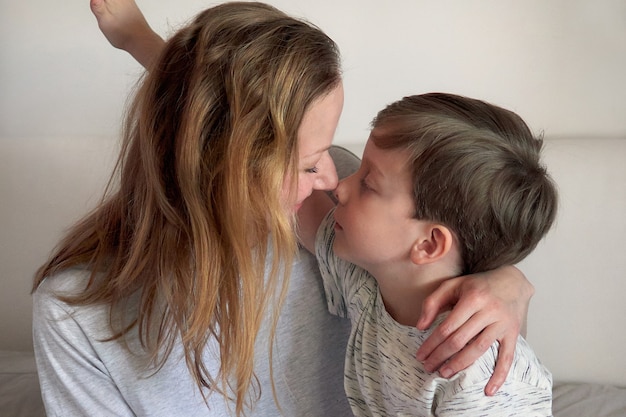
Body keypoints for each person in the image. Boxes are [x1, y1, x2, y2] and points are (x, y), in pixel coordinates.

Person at [31, 1, 534, 416]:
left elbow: (449, 231)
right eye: (310, 162)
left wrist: (501, 279)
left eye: (330, 154)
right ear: (225, 167)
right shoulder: (75, 315)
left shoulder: (333, 220)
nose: (335, 180)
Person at [298, 93, 557, 416]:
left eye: (368, 183)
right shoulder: (365, 280)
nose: (339, 185)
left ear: (429, 245)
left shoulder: (474, 370)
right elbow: (299, 205)